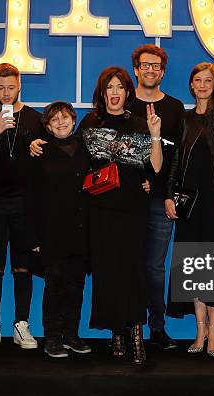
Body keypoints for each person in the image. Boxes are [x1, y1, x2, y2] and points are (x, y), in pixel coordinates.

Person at [79, 66, 162, 364]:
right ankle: (116, 333)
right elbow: (75, 160)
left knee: (134, 272)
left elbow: (155, 167)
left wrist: (154, 136)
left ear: (128, 92)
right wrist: (39, 143)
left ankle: (136, 334)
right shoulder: (90, 123)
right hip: (100, 210)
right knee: (107, 273)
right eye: (109, 88)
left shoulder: (140, 123)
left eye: (119, 87)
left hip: (133, 210)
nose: (114, 93)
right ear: (102, 93)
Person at [0, 63, 47, 350]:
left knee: (23, 267)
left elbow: (47, 162)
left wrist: (39, 148)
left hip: (25, 203)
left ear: (20, 85)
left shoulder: (36, 119)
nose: (6, 93)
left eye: (11, 87)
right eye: (0, 88)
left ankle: (21, 324)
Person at [165, 62, 214, 357]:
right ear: (191, 85)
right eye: (198, 80)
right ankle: (199, 330)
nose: (203, 85)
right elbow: (174, 161)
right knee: (193, 266)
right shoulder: (184, 119)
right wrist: (169, 196)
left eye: (209, 80)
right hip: (189, 203)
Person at [129, 44, 185, 350]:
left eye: (156, 66)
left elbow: (177, 158)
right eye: (145, 65)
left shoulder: (175, 108)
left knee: (155, 266)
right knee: (130, 264)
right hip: (128, 201)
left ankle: (157, 328)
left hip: (162, 200)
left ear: (162, 72)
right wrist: (138, 182)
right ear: (136, 69)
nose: (150, 70)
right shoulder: (124, 102)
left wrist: (168, 193)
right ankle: (128, 327)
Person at [28, 101, 92, 358]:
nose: (61, 122)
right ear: (48, 126)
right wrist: (34, 237)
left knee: (76, 286)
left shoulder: (86, 149)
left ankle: (72, 335)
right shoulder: (39, 152)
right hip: (51, 232)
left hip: (80, 231)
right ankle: (52, 338)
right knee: (54, 286)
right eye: (55, 119)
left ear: (74, 120)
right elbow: (31, 198)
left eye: (65, 117)